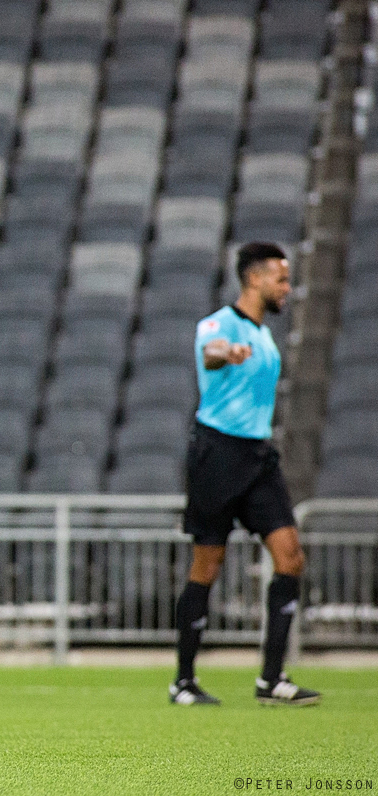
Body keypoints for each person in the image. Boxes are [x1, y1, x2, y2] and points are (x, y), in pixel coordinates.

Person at [170, 242, 320, 708]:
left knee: (290, 557)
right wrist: (227, 353)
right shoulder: (220, 325)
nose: (287, 288)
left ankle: (272, 678)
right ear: (254, 278)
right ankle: (184, 681)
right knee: (207, 564)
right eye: (281, 279)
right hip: (217, 453)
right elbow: (211, 352)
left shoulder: (265, 336)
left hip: (258, 456)